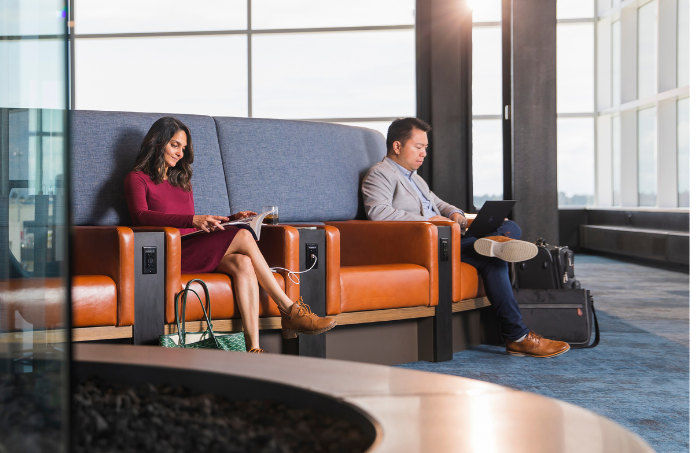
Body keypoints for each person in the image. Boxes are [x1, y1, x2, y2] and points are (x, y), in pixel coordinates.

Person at [361, 117, 570, 358]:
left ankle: (517, 336)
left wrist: (456, 215)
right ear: (397, 146)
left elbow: (438, 204)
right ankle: (495, 249)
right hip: (425, 244)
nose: (424, 153)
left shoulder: (414, 177)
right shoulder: (380, 174)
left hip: (450, 237)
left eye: (426, 148)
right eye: (418, 147)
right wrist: (430, 221)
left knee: (508, 231)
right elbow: (378, 213)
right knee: (495, 254)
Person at [125, 116, 336, 353]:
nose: (180, 153)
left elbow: (191, 226)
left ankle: (253, 348)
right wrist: (192, 220)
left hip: (191, 247)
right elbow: (140, 217)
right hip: (166, 254)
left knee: (243, 262)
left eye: (183, 148)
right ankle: (290, 310)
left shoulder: (182, 182)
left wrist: (233, 219)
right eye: (174, 145)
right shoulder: (137, 178)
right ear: (157, 143)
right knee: (244, 236)